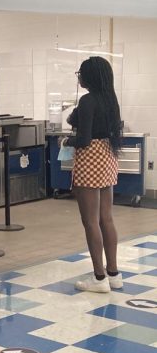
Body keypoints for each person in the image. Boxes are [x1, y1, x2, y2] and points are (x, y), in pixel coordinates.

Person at [61, 56, 123, 293]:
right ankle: (113, 273)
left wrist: (67, 140)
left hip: (90, 161)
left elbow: (84, 139)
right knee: (106, 218)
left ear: (89, 77)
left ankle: (98, 278)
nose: (80, 78)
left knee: (90, 221)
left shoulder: (88, 101)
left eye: (81, 74)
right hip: (107, 158)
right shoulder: (111, 100)